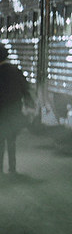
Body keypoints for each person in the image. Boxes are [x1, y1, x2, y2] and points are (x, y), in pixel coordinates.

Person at [0, 45, 34, 174]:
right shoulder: (15, 70)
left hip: (1, 112)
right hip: (14, 111)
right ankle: (12, 168)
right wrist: (29, 104)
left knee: (0, 141)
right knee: (11, 140)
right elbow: (25, 88)